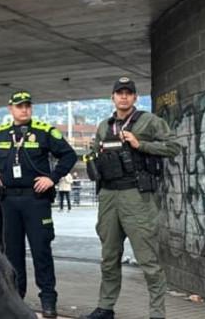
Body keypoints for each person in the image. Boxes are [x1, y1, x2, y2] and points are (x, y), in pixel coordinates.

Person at [82, 77, 180, 319]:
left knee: (148, 259)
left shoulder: (148, 121)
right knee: (109, 257)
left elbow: (174, 146)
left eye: (128, 93)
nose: (123, 96)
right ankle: (105, 308)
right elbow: (95, 152)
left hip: (136, 196)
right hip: (108, 196)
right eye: (119, 92)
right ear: (112, 97)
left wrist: (141, 144)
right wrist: (92, 155)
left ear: (135, 97)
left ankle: (157, 313)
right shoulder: (105, 126)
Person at [0, 90, 76, 318]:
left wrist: (52, 178)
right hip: (8, 201)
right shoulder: (1, 134)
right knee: (12, 255)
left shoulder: (44, 132)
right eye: (19, 106)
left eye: (27, 106)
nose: (24, 109)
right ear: (11, 109)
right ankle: (16, 300)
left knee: (41, 251)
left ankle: (48, 302)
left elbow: (69, 155)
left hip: (36, 201)